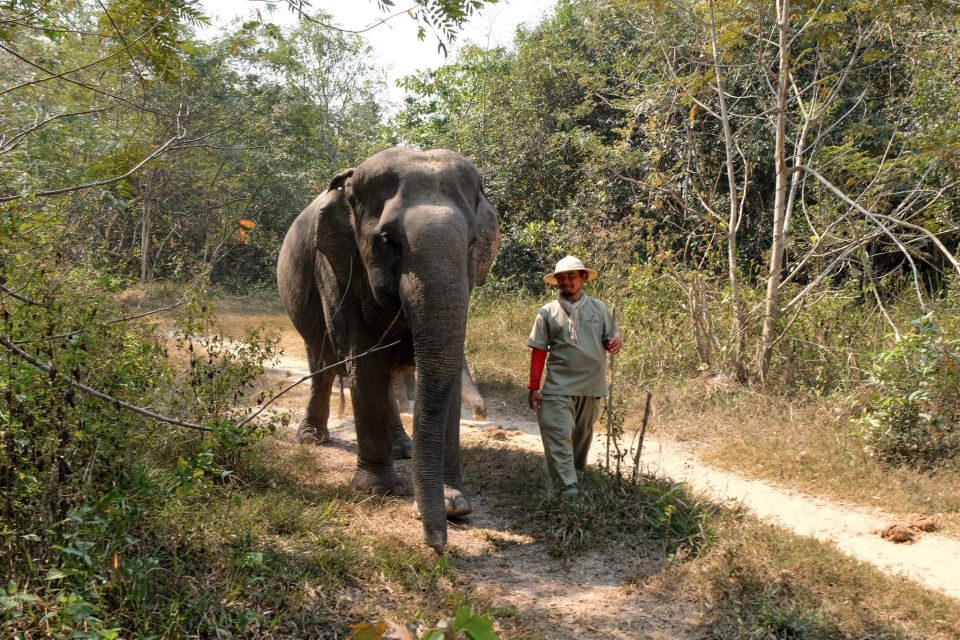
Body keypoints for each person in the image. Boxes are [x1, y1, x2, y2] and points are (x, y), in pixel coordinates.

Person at [527, 255, 622, 499]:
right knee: (558, 439)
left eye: (571, 276)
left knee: (581, 441)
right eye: (561, 277)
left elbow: (612, 340)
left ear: (582, 278)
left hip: (592, 388)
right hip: (558, 388)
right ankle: (567, 492)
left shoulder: (600, 310)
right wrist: (534, 387)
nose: (566, 281)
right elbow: (538, 352)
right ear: (556, 281)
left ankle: (576, 477)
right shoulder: (547, 312)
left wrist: (614, 344)